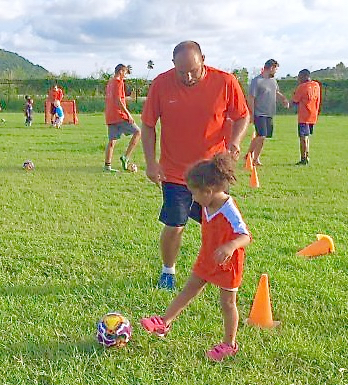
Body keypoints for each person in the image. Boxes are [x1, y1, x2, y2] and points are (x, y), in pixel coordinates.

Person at [141, 40, 250, 290]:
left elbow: (242, 115)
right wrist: (150, 162)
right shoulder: (161, 84)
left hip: (212, 173)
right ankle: (168, 271)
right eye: (181, 72)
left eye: (193, 70)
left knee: (218, 227)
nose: (188, 77)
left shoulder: (225, 82)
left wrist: (235, 141)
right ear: (173, 66)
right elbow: (148, 125)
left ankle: (217, 270)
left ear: (204, 60)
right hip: (175, 171)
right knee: (174, 224)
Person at [140, 153, 251, 362]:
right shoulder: (206, 204)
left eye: (194, 194)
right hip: (208, 257)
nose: (193, 198)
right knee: (189, 289)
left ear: (208, 192)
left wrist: (229, 246)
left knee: (228, 303)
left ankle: (229, 344)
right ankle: (164, 322)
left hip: (228, 263)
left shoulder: (229, 209)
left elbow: (245, 235)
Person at [245, 59, 290, 166]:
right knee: (261, 135)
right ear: (271, 68)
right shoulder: (257, 81)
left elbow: (276, 92)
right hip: (259, 113)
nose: (276, 72)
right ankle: (252, 157)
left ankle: (252, 157)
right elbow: (251, 98)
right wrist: (251, 114)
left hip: (269, 113)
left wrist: (283, 99)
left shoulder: (273, 81)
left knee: (263, 137)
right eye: (275, 69)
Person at [104, 63, 141, 172]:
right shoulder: (119, 82)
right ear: (120, 71)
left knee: (112, 141)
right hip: (119, 115)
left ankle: (107, 166)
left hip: (110, 115)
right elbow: (118, 100)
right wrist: (128, 114)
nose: (125, 75)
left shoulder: (110, 83)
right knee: (138, 132)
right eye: (125, 73)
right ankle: (126, 157)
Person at [291, 69, 321, 165]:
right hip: (313, 115)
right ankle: (307, 155)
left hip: (304, 116)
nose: (298, 79)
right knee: (307, 137)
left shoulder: (302, 87)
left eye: (299, 77)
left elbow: (295, 101)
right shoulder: (316, 85)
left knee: (303, 137)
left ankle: (304, 158)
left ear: (303, 77)